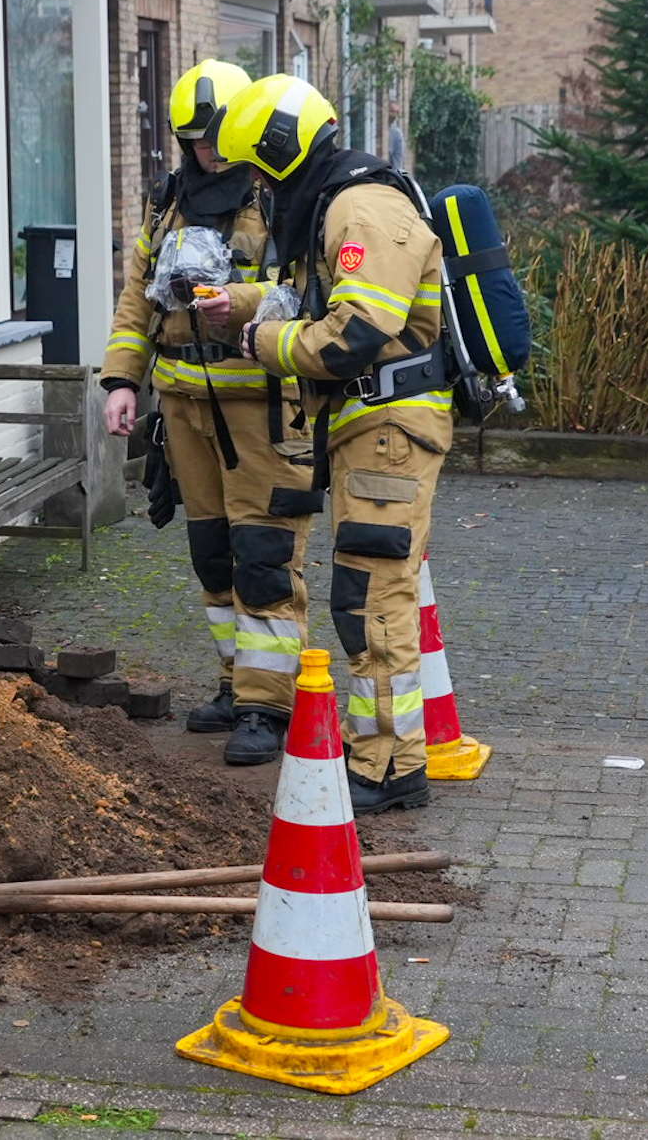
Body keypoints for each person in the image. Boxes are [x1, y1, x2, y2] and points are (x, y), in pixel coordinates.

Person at [208, 73, 447, 814]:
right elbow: (305, 295)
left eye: (258, 168)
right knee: (368, 594)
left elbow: (351, 336)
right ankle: (385, 753)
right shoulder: (334, 204)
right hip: (370, 432)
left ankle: (385, 765)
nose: (257, 186)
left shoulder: (362, 206)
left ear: (280, 152)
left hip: (389, 433)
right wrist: (241, 306)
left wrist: (265, 343)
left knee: (371, 598)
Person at [99, 59, 318, 767]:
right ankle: (233, 684)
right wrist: (122, 381)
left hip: (258, 405)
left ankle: (267, 706)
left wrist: (238, 305)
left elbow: (306, 292)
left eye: (218, 141)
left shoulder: (282, 199)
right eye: (195, 143)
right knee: (212, 554)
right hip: (186, 409)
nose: (208, 156)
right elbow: (138, 299)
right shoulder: (168, 203)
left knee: (263, 557)